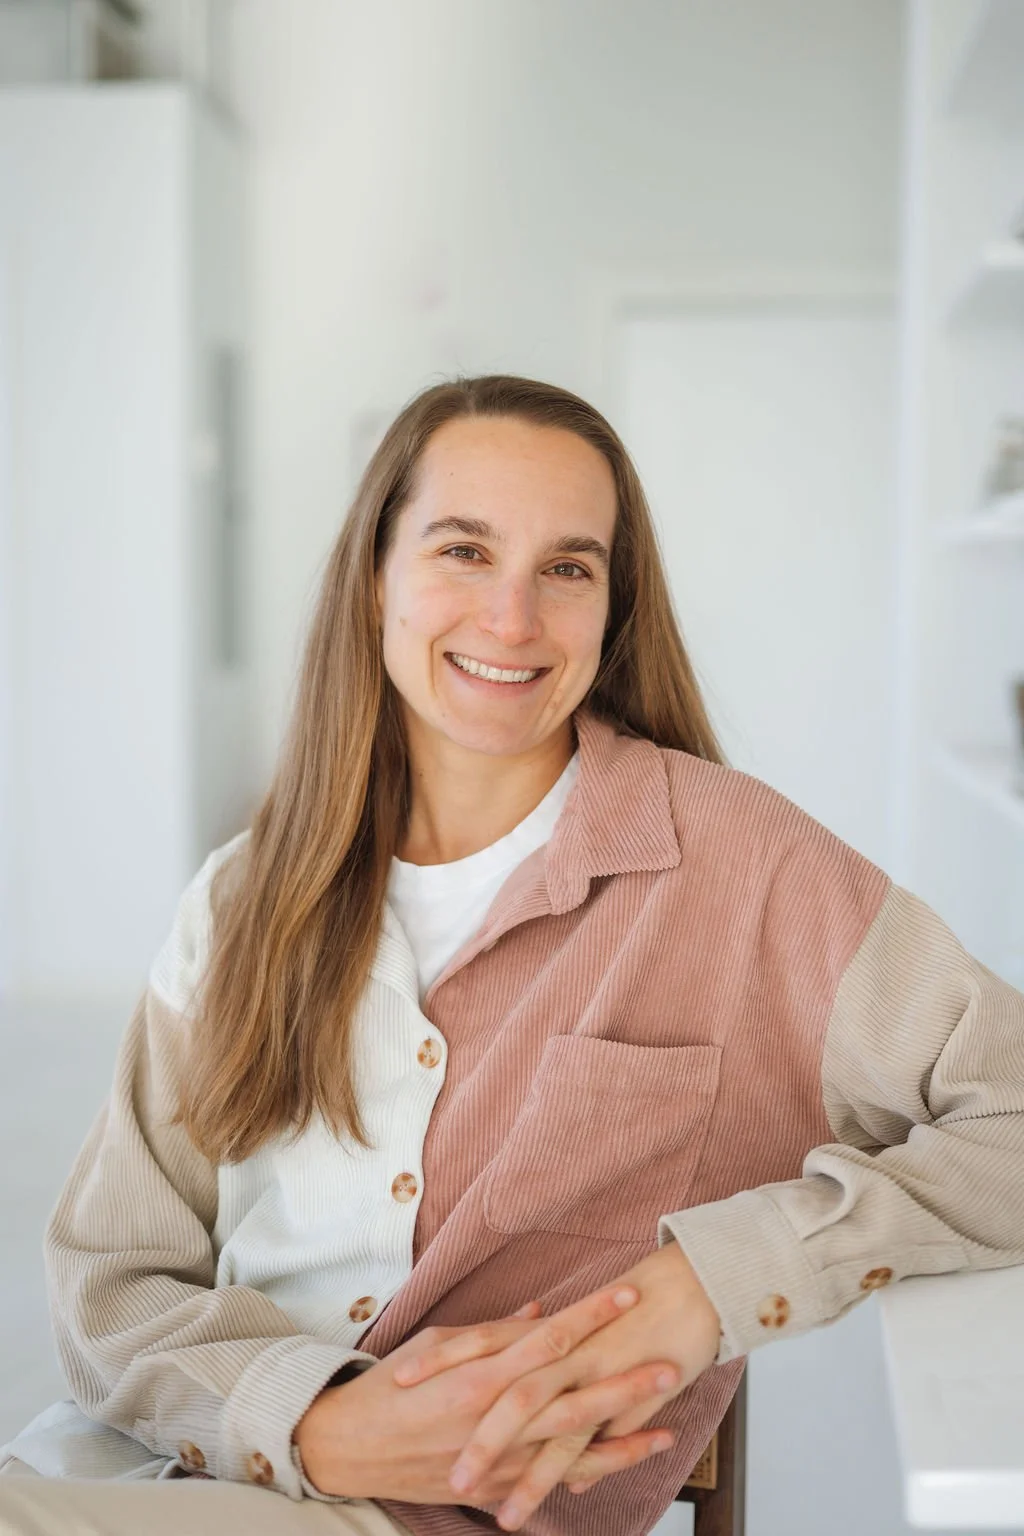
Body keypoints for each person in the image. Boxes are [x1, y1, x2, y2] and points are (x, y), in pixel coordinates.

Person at [1, 373, 1022, 1536]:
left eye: (567, 568)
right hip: (140, 1476)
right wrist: (311, 1419)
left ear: (611, 608)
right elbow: (112, 1276)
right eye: (464, 551)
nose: (511, 619)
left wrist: (716, 1280)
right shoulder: (244, 894)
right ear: (374, 575)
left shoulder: (743, 867)